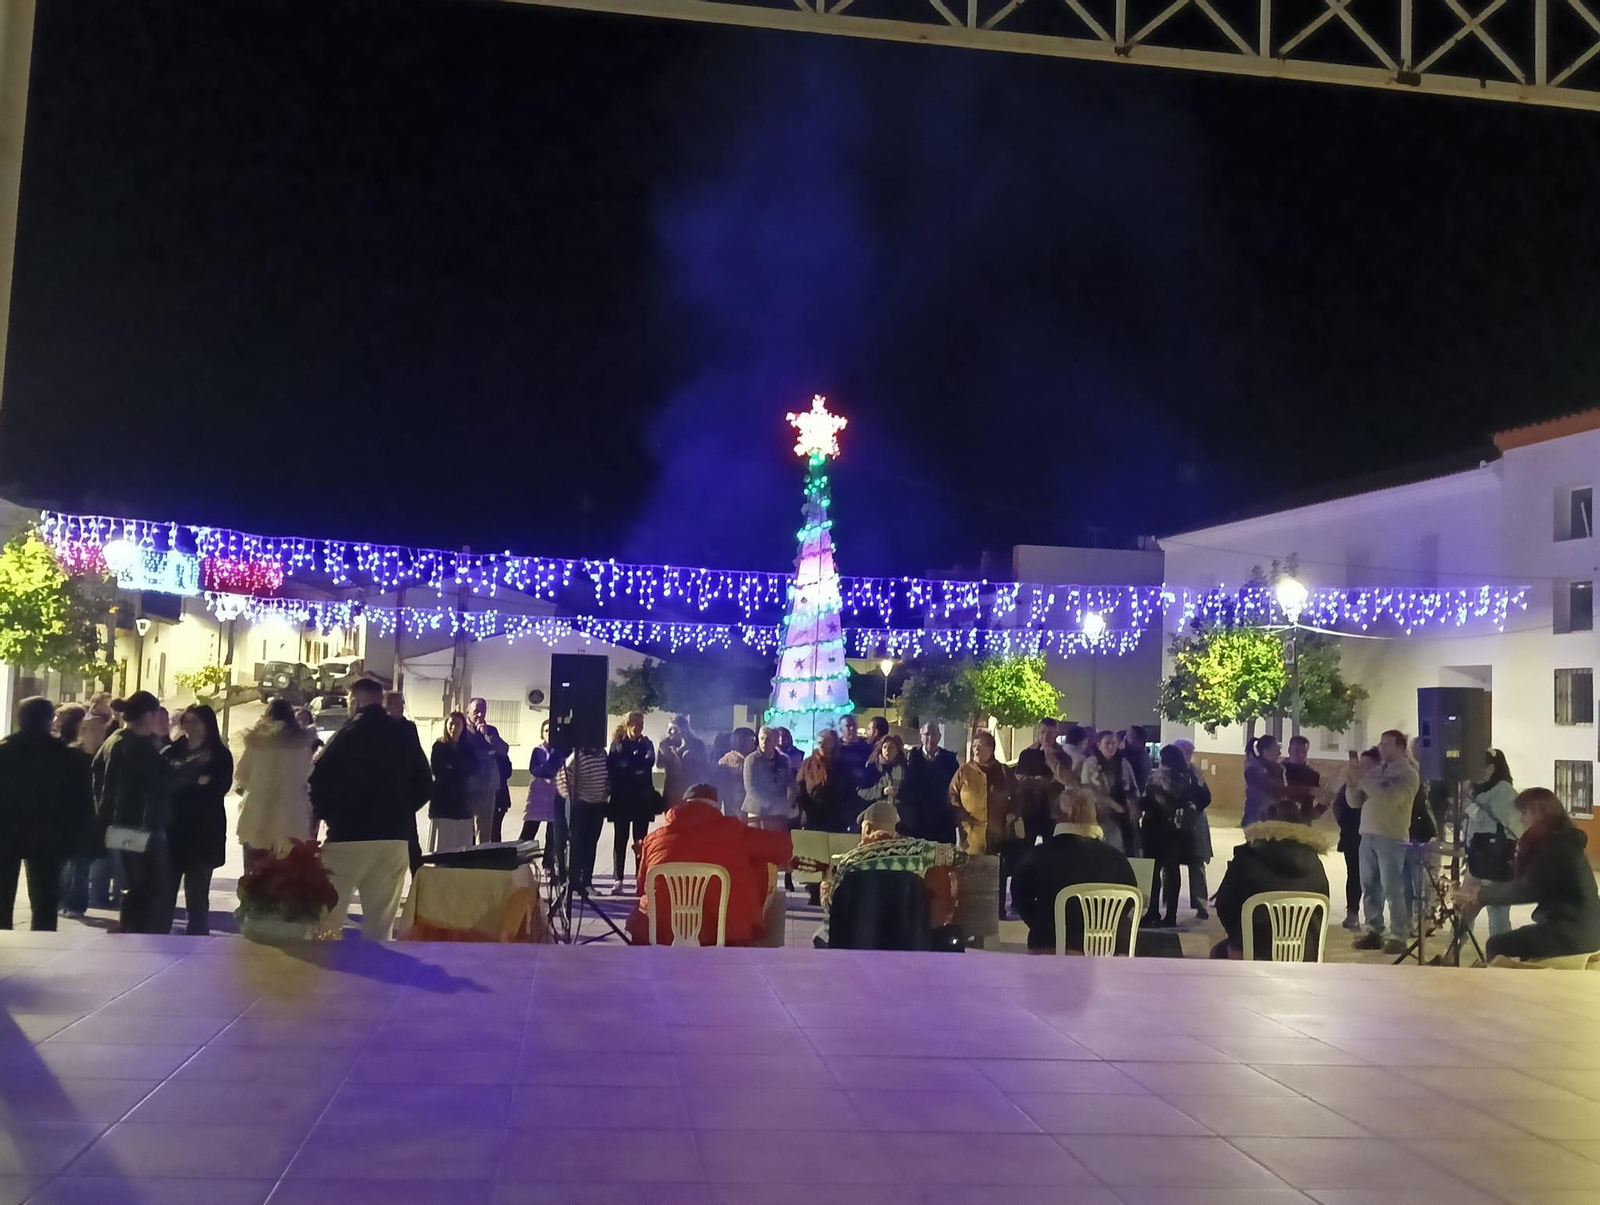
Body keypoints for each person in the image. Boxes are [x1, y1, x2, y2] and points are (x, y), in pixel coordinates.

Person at [309, 678, 432, 940]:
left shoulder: (344, 736)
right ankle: (377, 964)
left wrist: (331, 816)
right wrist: (401, 810)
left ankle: (326, 964)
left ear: (356, 701)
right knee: (380, 927)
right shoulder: (403, 735)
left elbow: (316, 783)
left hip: (346, 839)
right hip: (393, 840)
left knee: (326, 922)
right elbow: (425, 784)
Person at [626, 782, 793, 946]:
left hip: (659, 933)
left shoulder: (653, 839)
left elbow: (641, 888)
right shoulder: (734, 830)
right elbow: (783, 848)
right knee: (769, 885)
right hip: (724, 933)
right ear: (716, 806)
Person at [1457, 787, 1600, 962]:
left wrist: (1483, 896)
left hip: (1574, 931)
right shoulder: (1558, 841)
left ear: (1538, 812)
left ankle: (1504, 979)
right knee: (1516, 941)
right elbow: (1528, 882)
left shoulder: (1557, 847)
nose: (1521, 818)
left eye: (1524, 812)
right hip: (1576, 926)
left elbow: (1528, 889)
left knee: (1496, 945)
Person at [820, 799, 964, 949]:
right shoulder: (922, 851)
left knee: (821, 934)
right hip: (910, 942)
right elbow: (961, 857)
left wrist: (826, 880)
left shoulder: (849, 861)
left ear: (867, 829)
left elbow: (833, 907)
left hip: (863, 942)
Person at [0, 697, 93, 930]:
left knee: (3, 896)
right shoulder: (66, 755)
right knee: (45, 901)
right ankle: (43, 939)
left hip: (6, 832)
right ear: (49, 719)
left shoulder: (4, 751)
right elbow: (80, 799)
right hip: (49, 833)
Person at [1012, 786, 1138, 953]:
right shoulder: (1117, 859)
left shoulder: (1037, 857)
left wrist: (1041, 924)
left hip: (1050, 946)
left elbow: (1019, 897)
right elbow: (1129, 901)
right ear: (1094, 815)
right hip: (1106, 951)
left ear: (1056, 816)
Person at [96, 692, 180, 934]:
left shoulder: (115, 740)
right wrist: (192, 766)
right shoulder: (139, 747)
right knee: (149, 885)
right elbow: (163, 781)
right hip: (142, 824)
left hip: (121, 824)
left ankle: (129, 927)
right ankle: (139, 933)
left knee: (133, 883)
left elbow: (97, 775)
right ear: (149, 715)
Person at [1210, 799, 1333, 959]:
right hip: (1304, 951)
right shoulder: (1315, 863)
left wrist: (1237, 938)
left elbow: (1224, 905)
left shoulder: (1247, 858)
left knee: (1217, 952)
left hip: (1254, 949)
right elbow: (1322, 907)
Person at [162, 704, 233, 936]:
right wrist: (195, 778)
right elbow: (167, 784)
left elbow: (218, 787)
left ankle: (197, 934)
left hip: (204, 830)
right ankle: (161, 932)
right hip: (174, 829)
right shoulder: (174, 750)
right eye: (187, 721)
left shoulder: (219, 754)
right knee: (166, 890)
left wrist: (191, 781)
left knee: (197, 892)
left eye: (195, 721)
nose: (190, 726)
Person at [1350, 729, 1422, 954]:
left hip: (1391, 836)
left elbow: (1390, 798)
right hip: (1367, 834)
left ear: (1400, 747)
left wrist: (1363, 780)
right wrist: (1352, 784)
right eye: (1381, 744)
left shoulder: (1408, 774)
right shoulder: (1376, 771)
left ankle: (1399, 935)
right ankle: (1374, 931)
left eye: (1387, 744)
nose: (1382, 748)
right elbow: (1355, 802)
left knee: (1392, 888)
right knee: (1369, 886)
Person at [234, 699, 316, 866]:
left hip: (258, 811)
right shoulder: (302, 745)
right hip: (293, 812)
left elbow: (241, 774)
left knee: (256, 869)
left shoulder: (257, 743)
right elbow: (307, 774)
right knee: (288, 871)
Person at [1138, 744, 1208, 928]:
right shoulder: (1188, 777)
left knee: (1154, 873)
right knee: (1172, 870)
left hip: (1155, 829)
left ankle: (1153, 912)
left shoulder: (1156, 777)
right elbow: (1203, 799)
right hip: (1178, 830)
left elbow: (1146, 802)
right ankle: (1171, 915)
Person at [1464, 747, 1522, 940]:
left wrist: (1468, 805)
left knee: (1497, 912)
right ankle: (1451, 951)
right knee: (1466, 908)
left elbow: (1489, 822)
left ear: (1491, 768)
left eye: (1479, 766)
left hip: (1498, 858)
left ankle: (1500, 952)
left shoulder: (1504, 791)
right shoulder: (1478, 790)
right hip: (1477, 859)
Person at [606, 712, 658, 895]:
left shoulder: (647, 743)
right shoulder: (617, 744)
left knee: (641, 841)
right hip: (621, 799)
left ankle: (640, 878)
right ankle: (618, 879)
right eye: (635, 723)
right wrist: (635, 766)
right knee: (620, 839)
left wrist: (629, 765)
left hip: (642, 800)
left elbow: (649, 762)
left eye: (641, 723)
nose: (639, 727)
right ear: (628, 725)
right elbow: (614, 766)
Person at [1331, 747, 1379, 930]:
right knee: (1354, 875)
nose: (1363, 768)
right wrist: (1345, 825)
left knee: (1374, 878)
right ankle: (1352, 912)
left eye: (1368, 765)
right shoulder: (1351, 785)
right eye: (1362, 764)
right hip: (1352, 836)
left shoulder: (1379, 786)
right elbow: (1338, 806)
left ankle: (1374, 918)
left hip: (1374, 836)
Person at [949, 730, 1013, 857]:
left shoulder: (1003, 772)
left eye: (981, 745)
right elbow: (952, 795)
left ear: (991, 749)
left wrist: (1012, 814)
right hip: (970, 840)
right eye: (974, 746)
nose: (976, 749)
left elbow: (1017, 795)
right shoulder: (963, 772)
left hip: (997, 840)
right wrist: (961, 815)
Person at [559, 744, 611, 893]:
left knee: (591, 844)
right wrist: (570, 796)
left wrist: (606, 792)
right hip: (582, 806)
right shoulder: (577, 755)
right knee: (578, 845)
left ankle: (587, 882)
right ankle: (574, 882)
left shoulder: (603, 754)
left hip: (598, 806)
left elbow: (608, 776)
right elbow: (562, 777)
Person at [428, 711, 481, 853]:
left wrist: (453, 767)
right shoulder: (439, 746)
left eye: (458, 725)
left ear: (463, 727)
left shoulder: (468, 747)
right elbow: (438, 769)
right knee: (443, 842)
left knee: (462, 843)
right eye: (451, 724)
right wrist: (458, 768)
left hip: (463, 803)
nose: (454, 728)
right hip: (443, 803)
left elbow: (474, 768)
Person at [385, 691, 426, 873]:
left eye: (402, 703)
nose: (400, 707)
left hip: (405, 792)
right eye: (396, 703)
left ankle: (417, 879)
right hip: (386, 793)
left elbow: (417, 756)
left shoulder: (409, 727)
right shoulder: (381, 727)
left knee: (412, 842)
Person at [1079, 730, 1139, 854]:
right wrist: (1111, 803)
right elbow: (1087, 789)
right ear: (1098, 745)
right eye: (1107, 743)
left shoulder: (1123, 763)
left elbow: (1133, 787)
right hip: (1098, 813)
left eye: (1114, 743)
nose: (1111, 746)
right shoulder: (1090, 763)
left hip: (1123, 812)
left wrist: (1133, 806)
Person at [1171, 739, 1212, 919]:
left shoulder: (1195, 773)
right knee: (1171, 865)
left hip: (1194, 821)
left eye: (1189, 753)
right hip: (1174, 821)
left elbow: (1206, 797)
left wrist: (1195, 805)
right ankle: (1169, 903)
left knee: (1196, 862)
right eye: (1184, 752)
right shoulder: (1170, 772)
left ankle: (1201, 904)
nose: (1187, 756)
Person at [524, 719, 570, 879]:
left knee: (552, 833)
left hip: (554, 794)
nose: (549, 733)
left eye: (551, 730)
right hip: (538, 795)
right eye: (546, 730)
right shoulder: (537, 750)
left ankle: (548, 864)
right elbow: (534, 768)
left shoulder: (560, 751)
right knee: (529, 829)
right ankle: (522, 861)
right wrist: (548, 771)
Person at [901, 722, 959, 843]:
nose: (930, 738)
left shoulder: (950, 759)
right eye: (926, 734)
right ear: (921, 736)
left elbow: (956, 787)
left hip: (942, 820)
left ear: (939, 737)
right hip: (917, 820)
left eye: (934, 734)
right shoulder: (910, 758)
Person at [465, 697, 512, 845]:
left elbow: (504, 750)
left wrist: (488, 736)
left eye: (483, 711)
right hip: (467, 787)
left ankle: (481, 855)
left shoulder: (491, 730)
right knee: (466, 829)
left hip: (487, 786)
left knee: (485, 829)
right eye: (476, 711)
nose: (480, 715)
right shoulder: (461, 729)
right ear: (468, 711)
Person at [796, 728, 854, 833]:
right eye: (819, 743)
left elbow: (849, 792)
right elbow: (800, 789)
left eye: (826, 743)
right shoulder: (808, 763)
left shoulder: (842, 765)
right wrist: (809, 809)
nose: (822, 746)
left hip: (836, 820)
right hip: (812, 818)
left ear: (834, 744)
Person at [743, 725, 797, 830]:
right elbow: (750, 787)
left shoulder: (784, 760)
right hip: (756, 809)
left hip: (778, 811)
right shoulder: (751, 759)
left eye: (768, 739)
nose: (764, 742)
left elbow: (789, 782)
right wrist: (768, 804)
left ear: (775, 742)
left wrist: (789, 802)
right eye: (762, 738)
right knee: (756, 838)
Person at [1242, 735, 1292, 829]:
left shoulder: (1279, 769)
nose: (1279, 753)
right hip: (1256, 818)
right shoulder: (1253, 769)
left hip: (1272, 818)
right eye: (1276, 749)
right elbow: (1273, 788)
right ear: (1266, 751)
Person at [857, 733, 908, 821]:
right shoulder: (872, 767)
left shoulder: (904, 768)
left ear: (897, 750)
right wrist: (881, 791)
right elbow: (861, 791)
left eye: (891, 747)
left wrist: (899, 793)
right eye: (884, 747)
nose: (887, 750)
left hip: (897, 816)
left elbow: (910, 791)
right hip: (875, 815)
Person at [714, 727, 757, 819]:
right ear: (740, 741)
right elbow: (720, 788)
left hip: (753, 809)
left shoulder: (756, 759)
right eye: (750, 739)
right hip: (734, 809)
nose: (753, 742)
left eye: (754, 739)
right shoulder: (726, 761)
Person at [1283, 735, 1324, 818]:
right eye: (1297, 751)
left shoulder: (1313, 775)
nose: (1301, 755)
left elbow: (1313, 805)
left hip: (1303, 821)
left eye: (1304, 752)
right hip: (1281, 819)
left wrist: (1322, 806)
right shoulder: (1279, 771)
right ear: (1289, 750)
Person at [836, 714, 873, 786]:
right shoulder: (837, 749)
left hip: (864, 788)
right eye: (848, 726)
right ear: (840, 729)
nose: (852, 728)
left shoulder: (867, 748)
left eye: (854, 725)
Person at [1121, 726, 1153, 795]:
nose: (1125, 738)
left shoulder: (1135, 757)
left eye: (1129, 736)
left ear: (1139, 741)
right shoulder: (1141, 754)